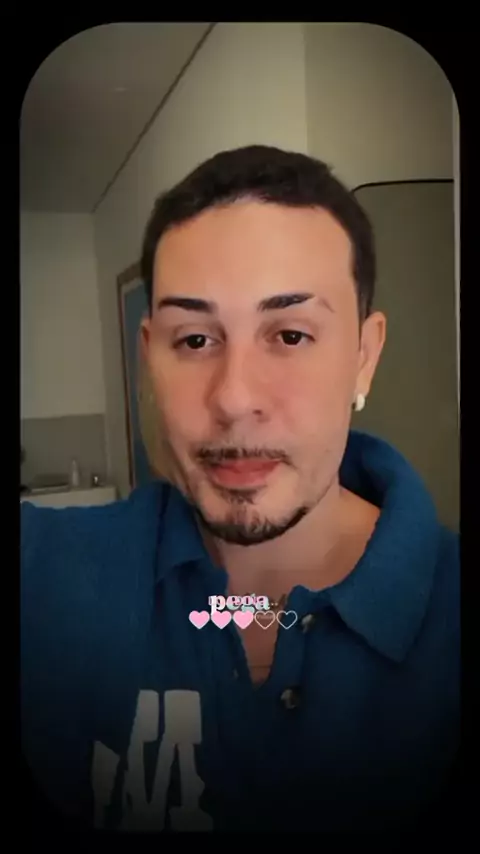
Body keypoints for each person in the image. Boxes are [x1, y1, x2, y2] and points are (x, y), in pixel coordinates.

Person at [21, 145, 459, 834]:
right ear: (150, 356)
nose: (233, 398)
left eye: (290, 334)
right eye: (195, 341)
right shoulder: (42, 577)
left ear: (364, 357)